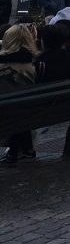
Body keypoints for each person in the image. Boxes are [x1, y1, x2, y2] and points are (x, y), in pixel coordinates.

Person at [0, 23, 39, 165]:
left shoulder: (6, 67)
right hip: (32, 110)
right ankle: (27, 149)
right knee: (20, 109)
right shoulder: (36, 63)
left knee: (16, 111)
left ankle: (16, 151)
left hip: (10, 112)